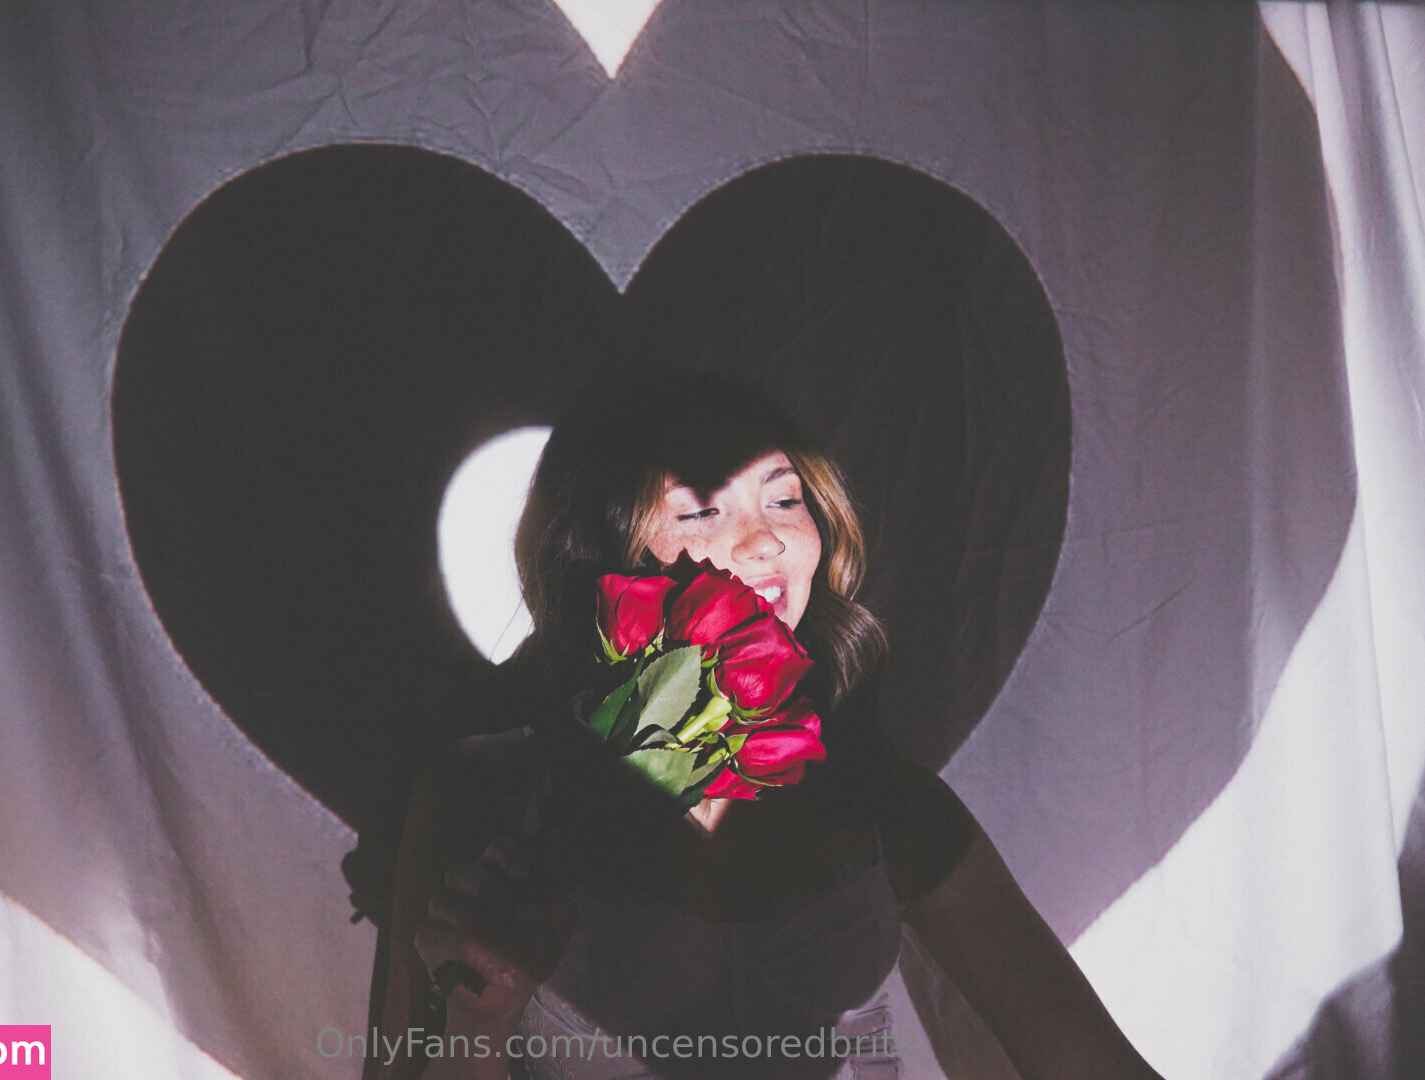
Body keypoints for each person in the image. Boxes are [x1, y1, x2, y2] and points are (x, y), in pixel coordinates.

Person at [372, 377, 1163, 1080]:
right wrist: (475, 1025)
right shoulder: (488, 791)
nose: (768, 539)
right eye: (703, 509)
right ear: (604, 552)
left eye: (785, 500)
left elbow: (1090, 1059)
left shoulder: (885, 803)